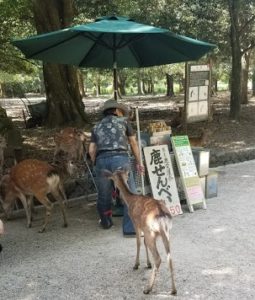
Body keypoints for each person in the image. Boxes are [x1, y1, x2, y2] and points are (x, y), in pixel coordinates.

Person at [89, 99, 144, 235]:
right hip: (120, 159)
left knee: (104, 193)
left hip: (101, 160)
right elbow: (133, 142)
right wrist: (139, 162)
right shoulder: (124, 122)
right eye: (121, 111)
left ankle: (106, 221)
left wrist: (96, 162)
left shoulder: (96, 126)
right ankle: (130, 229)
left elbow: (91, 149)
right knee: (128, 193)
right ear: (116, 111)